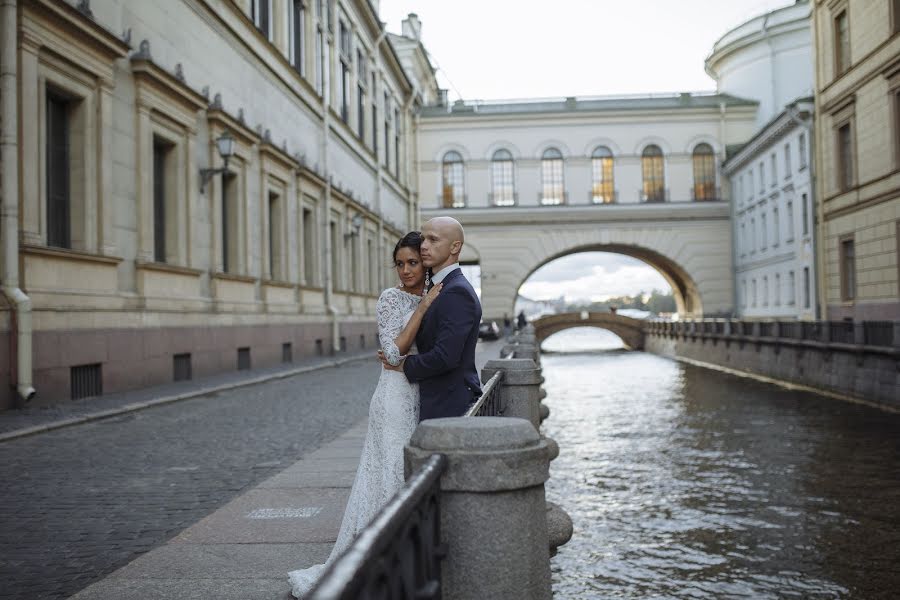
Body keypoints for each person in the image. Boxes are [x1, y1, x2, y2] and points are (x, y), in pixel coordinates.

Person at [287, 232, 442, 598]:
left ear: (426, 264)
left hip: (421, 392)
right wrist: (420, 310)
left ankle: (403, 554)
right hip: (393, 397)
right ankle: (381, 558)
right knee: (387, 469)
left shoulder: (438, 296)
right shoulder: (391, 299)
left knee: (405, 472)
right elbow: (391, 353)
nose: (405, 270)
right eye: (400, 264)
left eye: (413, 263)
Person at [381, 216, 482, 419]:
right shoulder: (440, 288)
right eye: (423, 239)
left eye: (433, 240)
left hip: (448, 406)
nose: (424, 246)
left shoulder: (456, 291)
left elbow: (445, 357)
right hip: (438, 402)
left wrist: (403, 364)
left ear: (455, 247)